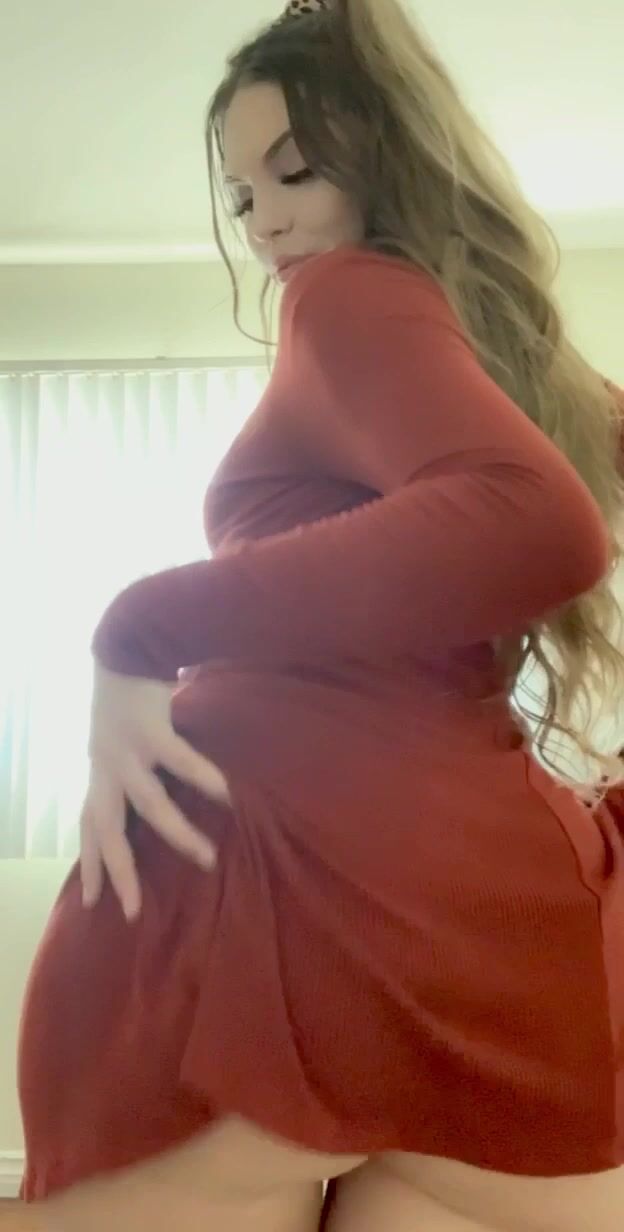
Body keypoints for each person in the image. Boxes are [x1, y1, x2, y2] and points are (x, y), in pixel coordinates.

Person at [16, 0, 624, 1229]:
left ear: (391, 156)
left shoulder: (348, 296)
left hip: (290, 897)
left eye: (296, 173)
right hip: (443, 900)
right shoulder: (499, 351)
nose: (267, 222)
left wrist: (140, 623)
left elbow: (535, 519)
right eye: (244, 194)